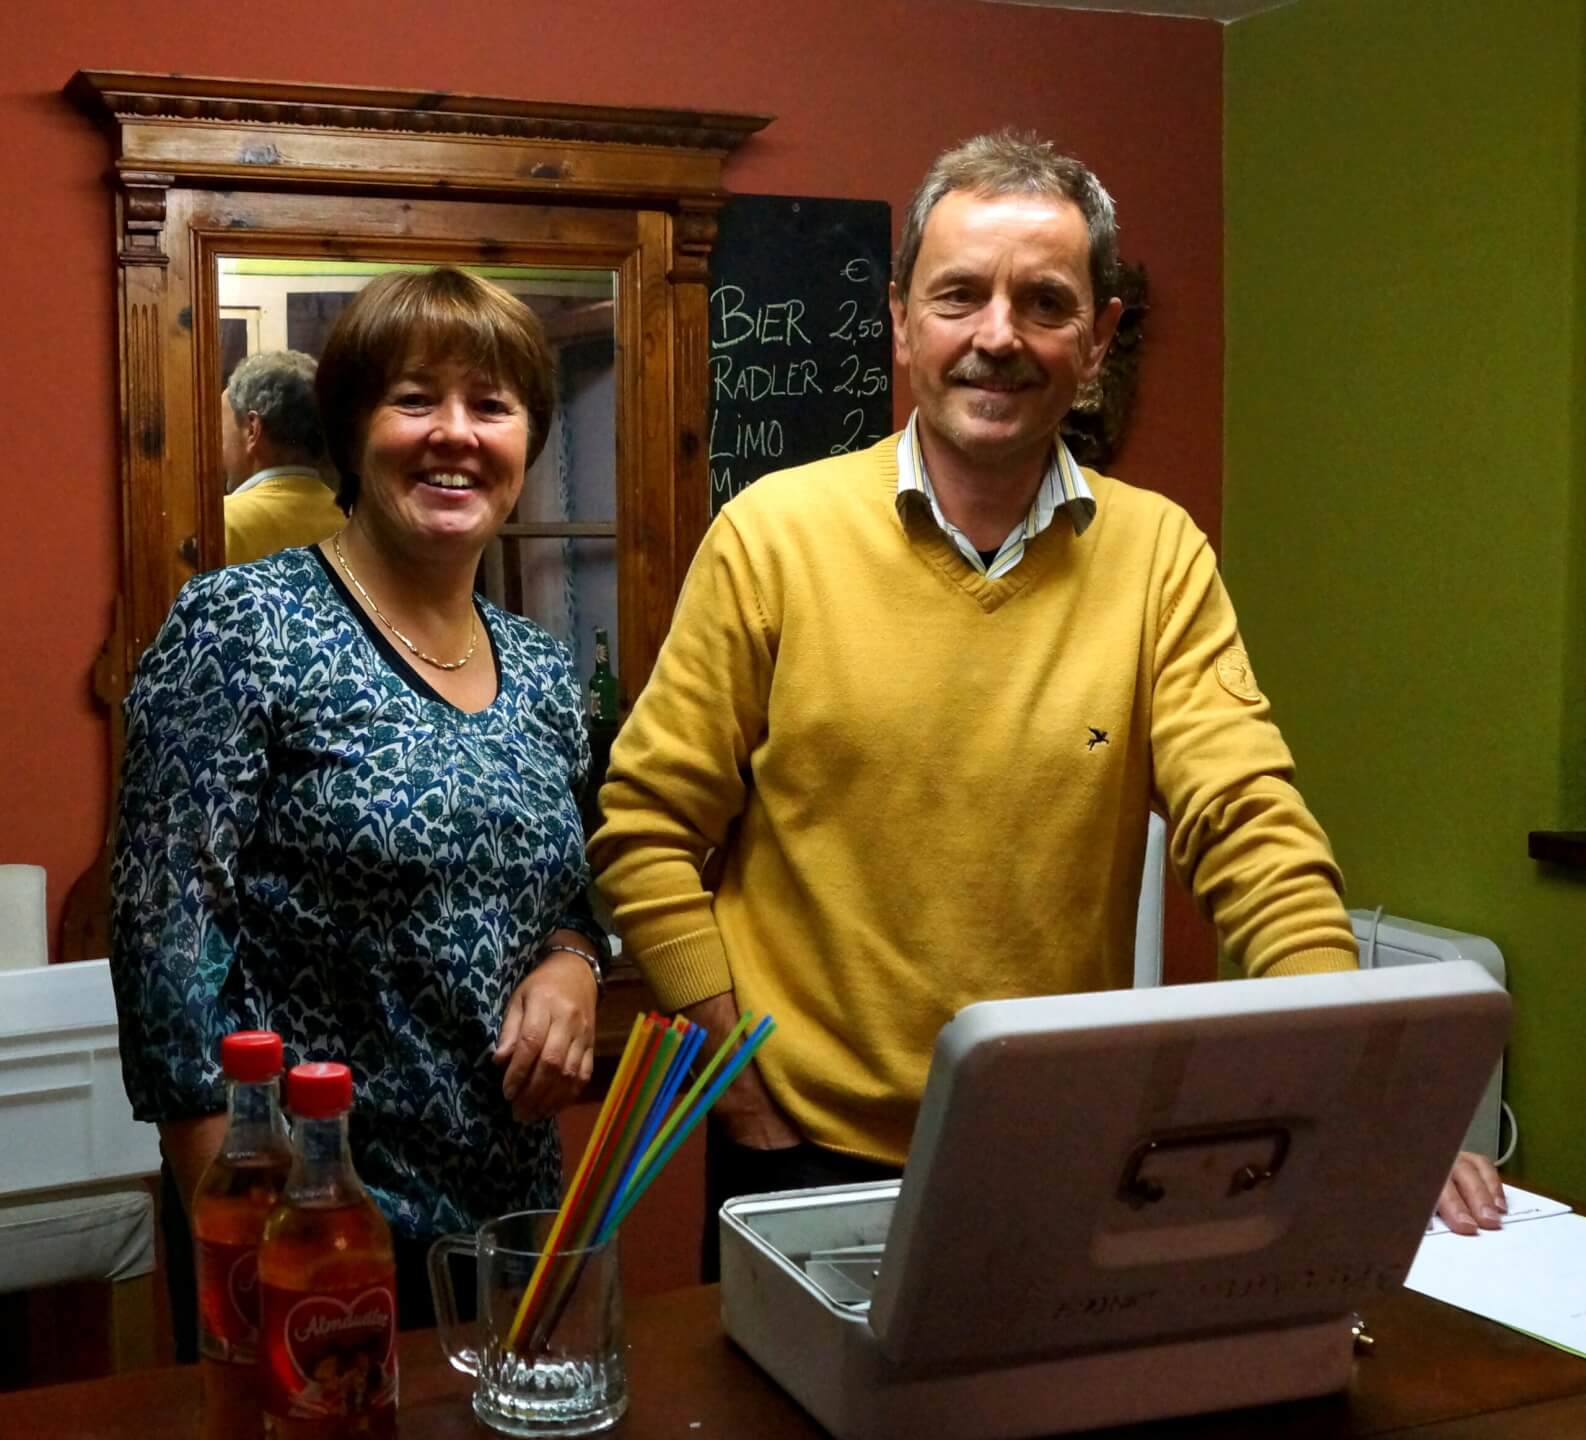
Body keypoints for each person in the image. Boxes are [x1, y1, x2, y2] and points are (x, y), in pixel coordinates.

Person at [587, 131, 1505, 1278]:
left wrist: (1358, 1084)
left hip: (1049, 1152)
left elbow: (1249, 830)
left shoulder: (1158, 556)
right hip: (798, 1154)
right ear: (901, 321)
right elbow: (645, 830)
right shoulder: (771, 538)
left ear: (1098, 338)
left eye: (1043, 302)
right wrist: (737, 1087)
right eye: (958, 295)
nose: (997, 335)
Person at [111, 267, 605, 1337]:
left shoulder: (541, 671)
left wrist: (574, 959)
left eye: (491, 405)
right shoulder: (243, 625)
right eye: (414, 399)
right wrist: (240, 1240)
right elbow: (167, 943)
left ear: (528, 440)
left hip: (509, 1224)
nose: (455, 434)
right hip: (311, 1224)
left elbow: (568, 895)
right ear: (349, 431)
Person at [219, 349, 346, 564]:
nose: (218, 448)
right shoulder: (353, 524)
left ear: (252, 430)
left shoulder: (218, 525)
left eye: (221, 432)